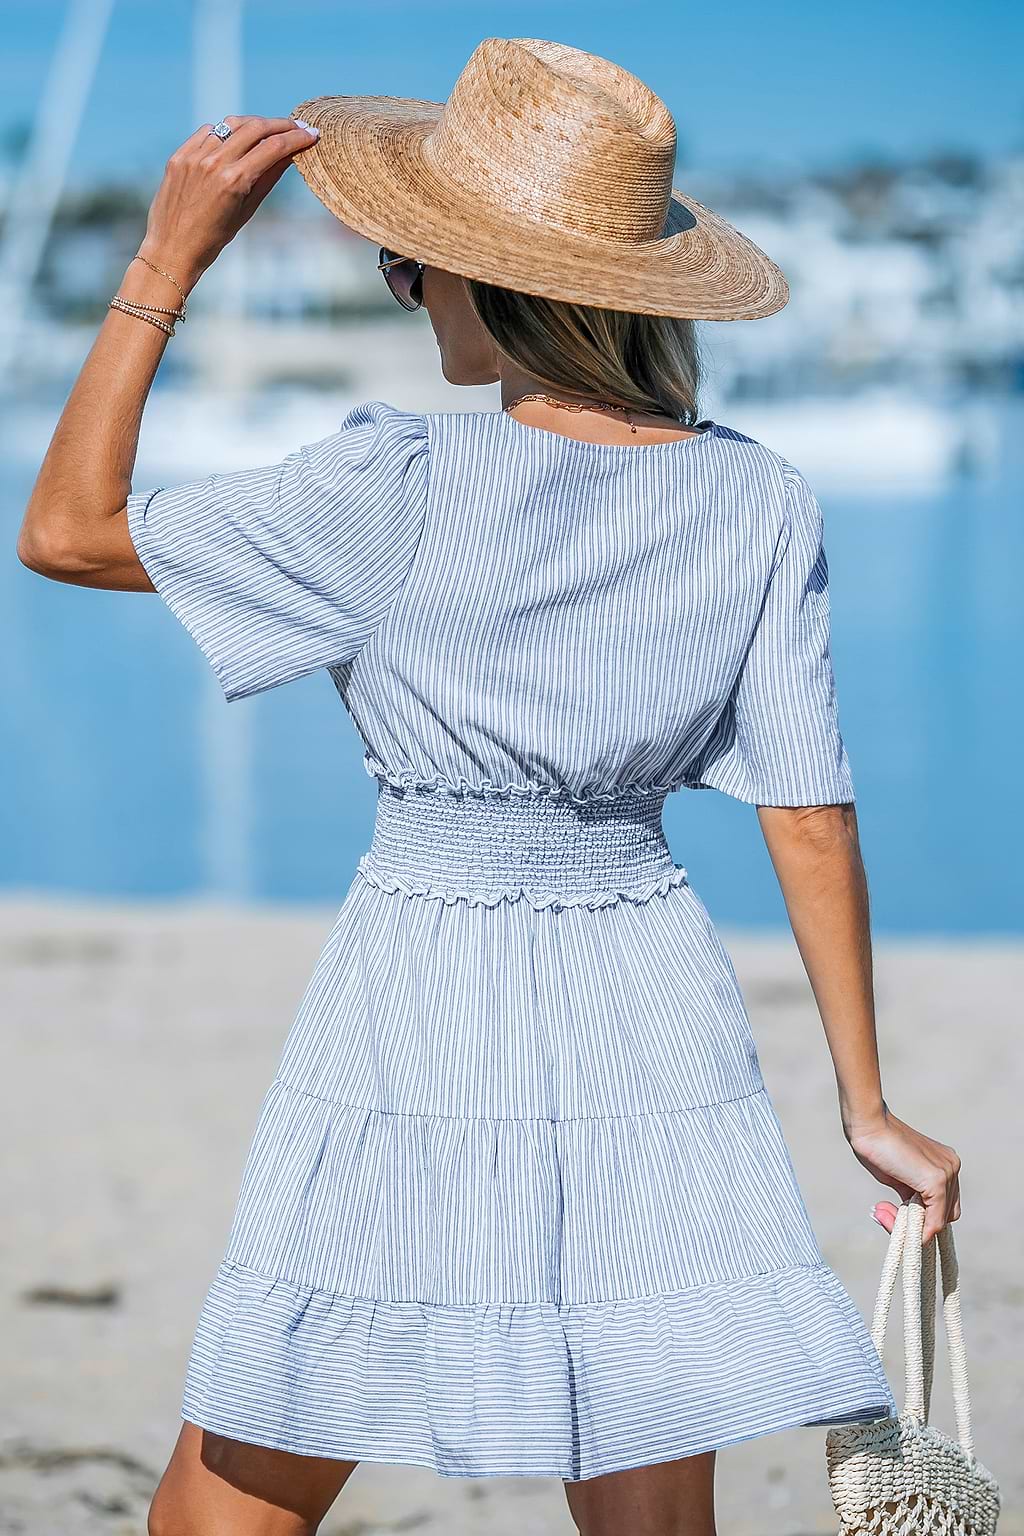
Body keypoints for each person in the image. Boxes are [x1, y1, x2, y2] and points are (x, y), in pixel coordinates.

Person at [17, 35, 961, 1536]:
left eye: (414, 267)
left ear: (483, 278)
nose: (408, 293)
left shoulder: (388, 486)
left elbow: (65, 532)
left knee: (247, 1479)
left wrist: (164, 264)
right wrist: (867, 1102)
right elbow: (807, 810)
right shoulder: (759, 498)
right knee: (650, 1485)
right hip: (652, 990)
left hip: (418, 983)